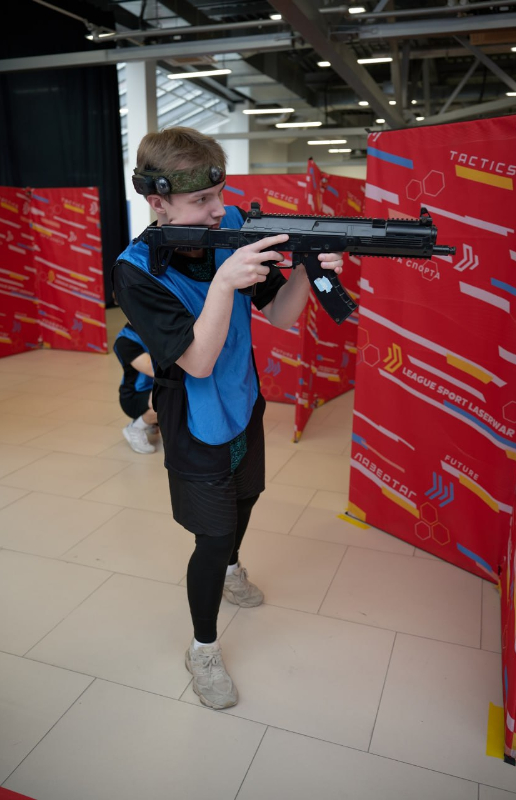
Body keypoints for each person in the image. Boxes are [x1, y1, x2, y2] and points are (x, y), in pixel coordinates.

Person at [111, 126, 343, 710]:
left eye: (220, 194)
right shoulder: (136, 270)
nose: (220, 211)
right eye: (201, 201)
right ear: (158, 202)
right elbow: (196, 360)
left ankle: (234, 565)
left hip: (243, 400)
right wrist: (222, 280)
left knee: (247, 499)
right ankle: (203, 648)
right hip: (193, 420)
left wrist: (306, 270)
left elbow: (281, 317)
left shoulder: (231, 227)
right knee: (211, 539)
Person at [113, 322, 159, 454]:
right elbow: (152, 369)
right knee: (170, 400)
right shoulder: (125, 340)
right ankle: (135, 428)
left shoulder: (154, 327)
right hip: (134, 396)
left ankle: (152, 422)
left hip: (154, 388)